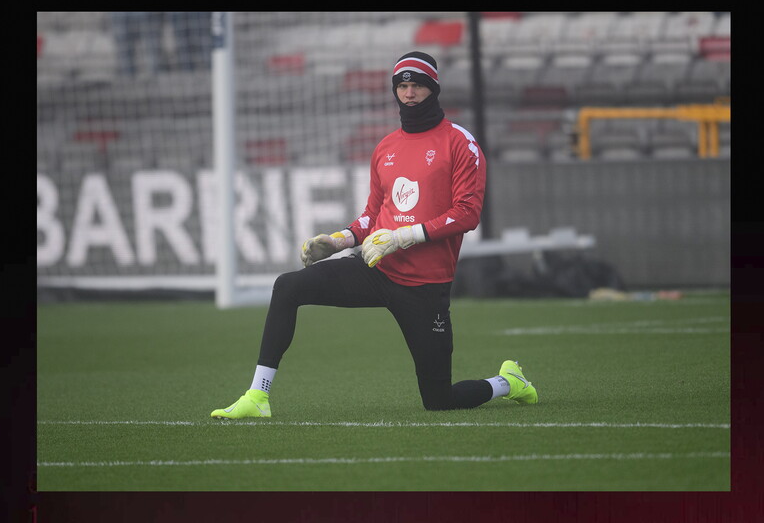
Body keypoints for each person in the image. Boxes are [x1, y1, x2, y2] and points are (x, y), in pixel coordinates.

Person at [211, 52, 539, 419]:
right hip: (376, 269)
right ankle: (258, 395)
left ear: (433, 89)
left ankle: (509, 383)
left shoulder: (461, 143)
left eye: (417, 85)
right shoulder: (386, 147)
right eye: (402, 85)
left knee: (439, 400)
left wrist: (403, 237)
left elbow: (467, 214)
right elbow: (371, 216)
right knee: (288, 286)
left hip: (425, 286)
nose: (409, 93)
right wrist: (338, 241)